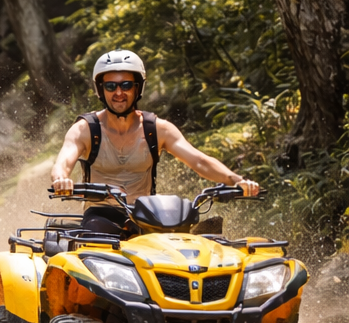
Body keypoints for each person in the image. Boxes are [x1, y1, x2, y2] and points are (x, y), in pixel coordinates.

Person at [51, 50, 260, 228]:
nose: (119, 93)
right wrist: (61, 179)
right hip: (101, 216)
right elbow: (63, 162)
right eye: (110, 86)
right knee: (94, 243)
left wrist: (237, 181)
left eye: (126, 85)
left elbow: (199, 161)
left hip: (148, 217)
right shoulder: (85, 129)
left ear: (137, 87)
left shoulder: (156, 129)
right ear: (100, 89)